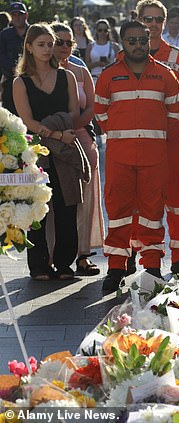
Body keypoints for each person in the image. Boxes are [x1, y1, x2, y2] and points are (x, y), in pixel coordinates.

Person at [95, 20, 179, 291]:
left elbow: (173, 117)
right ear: (122, 42)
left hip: (155, 158)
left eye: (142, 40)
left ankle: (152, 266)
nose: (138, 45)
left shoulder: (166, 75)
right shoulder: (109, 76)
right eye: (131, 40)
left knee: (152, 213)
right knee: (118, 212)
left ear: (149, 40)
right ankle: (116, 268)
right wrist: (126, 135)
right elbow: (101, 114)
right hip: (120, 157)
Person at [13, 23, 84, 281]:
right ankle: (39, 265)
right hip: (36, 152)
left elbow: (75, 112)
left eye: (50, 44)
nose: (47, 49)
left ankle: (66, 263)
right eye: (41, 44)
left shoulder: (68, 77)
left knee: (67, 206)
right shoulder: (20, 82)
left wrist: (60, 130)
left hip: (65, 149)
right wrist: (55, 132)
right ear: (29, 48)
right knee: (37, 211)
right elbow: (26, 121)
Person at [133, 0, 179, 278]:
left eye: (158, 19)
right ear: (138, 20)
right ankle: (151, 260)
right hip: (141, 143)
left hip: (171, 142)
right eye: (148, 19)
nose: (153, 24)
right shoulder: (127, 57)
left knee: (176, 200)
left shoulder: (178, 57)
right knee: (145, 203)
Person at [52, 22, 104, 276]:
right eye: (58, 42)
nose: (64, 47)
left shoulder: (80, 69)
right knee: (54, 201)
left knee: (86, 199)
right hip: (50, 138)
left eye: (68, 42)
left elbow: (92, 105)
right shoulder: (41, 72)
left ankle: (83, 255)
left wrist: (78, 126)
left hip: (81, 135)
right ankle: (52, 255)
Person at [0, 2, 29, 114]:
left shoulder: (34, 32)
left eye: (19, 14)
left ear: (26, 15)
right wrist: (12, 67)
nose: (16, 17)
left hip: (32, 80)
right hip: (10, 81)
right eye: (14, 15)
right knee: (10, 117)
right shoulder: (4, 35)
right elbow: (1, 55)